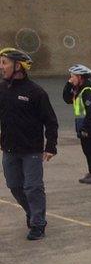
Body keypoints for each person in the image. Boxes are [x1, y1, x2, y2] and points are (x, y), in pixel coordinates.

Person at [0, 48, 58, 240]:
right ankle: (31, 212)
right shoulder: (2, 89)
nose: (1, 67)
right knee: (14, 186)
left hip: (31, 151)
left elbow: (50, 121)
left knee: (33, 187)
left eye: (4, 62)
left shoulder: (35, 92)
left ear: (18, 66)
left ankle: (38, 224)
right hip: (9, 149)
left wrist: (51, 146)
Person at [61, 64, 91, 184]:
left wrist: (85, 127)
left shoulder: (88, 91)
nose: (71, 78)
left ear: (80, 77)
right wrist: (68, 84)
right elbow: (67, 99)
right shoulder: (78, 90)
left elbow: (90, 111)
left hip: (90, 124)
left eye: (72, 76)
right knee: (86, 150)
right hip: (83, 124)